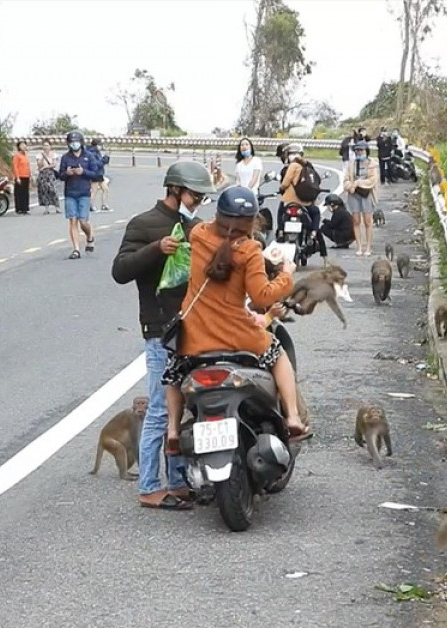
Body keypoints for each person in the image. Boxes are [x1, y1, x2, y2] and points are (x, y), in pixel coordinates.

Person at [161, 186, 311, 451]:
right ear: (251, 220)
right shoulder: (250, 250)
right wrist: (286, 274)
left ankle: (173, 430)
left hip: (194, 334)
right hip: (237, 336)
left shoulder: (198, 235)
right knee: (277, 354)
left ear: (218, 214)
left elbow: (216, 244)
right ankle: (293, 417)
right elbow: (262, 297)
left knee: (173, 372)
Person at [111, 160, 217, 510]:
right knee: (159, 407)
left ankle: (177, 480)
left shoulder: (198, 227)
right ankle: (149, 486)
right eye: (194, 195)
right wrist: (156, 249)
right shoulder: (144, 224)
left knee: (185, 406)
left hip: (194, 328)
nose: (198, 201)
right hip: (160, 330)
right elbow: (120, 271)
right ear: (175, 189)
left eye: (202, 196)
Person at [277, 143, 325, 263]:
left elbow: (285, 183)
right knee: (315, 213)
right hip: (306, 202)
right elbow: (316, 183)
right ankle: (313, 232)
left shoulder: (292, 166)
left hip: (289, 200)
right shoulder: (308, 166)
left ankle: (281, 231)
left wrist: (281, 188)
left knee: (280, 212)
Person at [58, 130, 101, 259]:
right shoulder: (65, 158)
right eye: (72, 142)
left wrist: (83, 172)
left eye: (76, 142)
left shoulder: (88, 156)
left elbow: (96, 174)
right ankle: (76, 249)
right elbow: (60, 175)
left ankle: (89, 236)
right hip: (70, 193)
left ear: (81, 142)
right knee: (73, 221)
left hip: (84, 193)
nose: (74, 144)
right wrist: (67, 173)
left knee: (83, 221)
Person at [344, 140, 380, 256]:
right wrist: (350, 186)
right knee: (356, 220)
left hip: (367, 194)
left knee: (368, 221)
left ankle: (368, 247)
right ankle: (359, 246)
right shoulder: (351, 164)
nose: (359, 152)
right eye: (357, 150)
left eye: (361, 150)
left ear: (366, 151)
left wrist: (359, 183)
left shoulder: (372, 164)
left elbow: (372, 181)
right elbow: (346, 180)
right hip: (354, 195)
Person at [87, 138, 112, 213]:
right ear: (96, 145)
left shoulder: (96, 152)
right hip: (95, 173)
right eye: (100, 145)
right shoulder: (92, 153)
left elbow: (104, 162)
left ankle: (104, 205)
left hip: (99, 173)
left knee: (105, 189)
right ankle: (90, 205)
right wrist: (105, 157)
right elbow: (98, 164)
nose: (101, 147)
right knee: (94, 190)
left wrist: (107, 156)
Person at [35, 140, 60, 214]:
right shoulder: (39, 155)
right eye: (44, 145)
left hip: (50, 173)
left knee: (53, 190)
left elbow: (54, 164)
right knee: (44, 191)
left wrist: (46, 167)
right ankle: (46, 208)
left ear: (50, 146)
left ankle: (57, 207)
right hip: (42, 174)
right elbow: (39, 165)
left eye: (47, 145)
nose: (46, 147)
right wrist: (43, 157)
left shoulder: (54, 155)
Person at [12, 140, 32, 215]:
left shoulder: (26, 155)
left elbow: (28, 166)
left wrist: (30, 174)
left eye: (25, 145)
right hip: (20, 176)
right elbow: (15, 166)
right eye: (22, 145)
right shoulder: (17, 155)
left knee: (25, 193)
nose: (24, 146)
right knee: (19, 193)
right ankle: (19, 208)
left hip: (26, 176)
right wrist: (17, 177)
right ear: (19, 147)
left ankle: (25, 208)